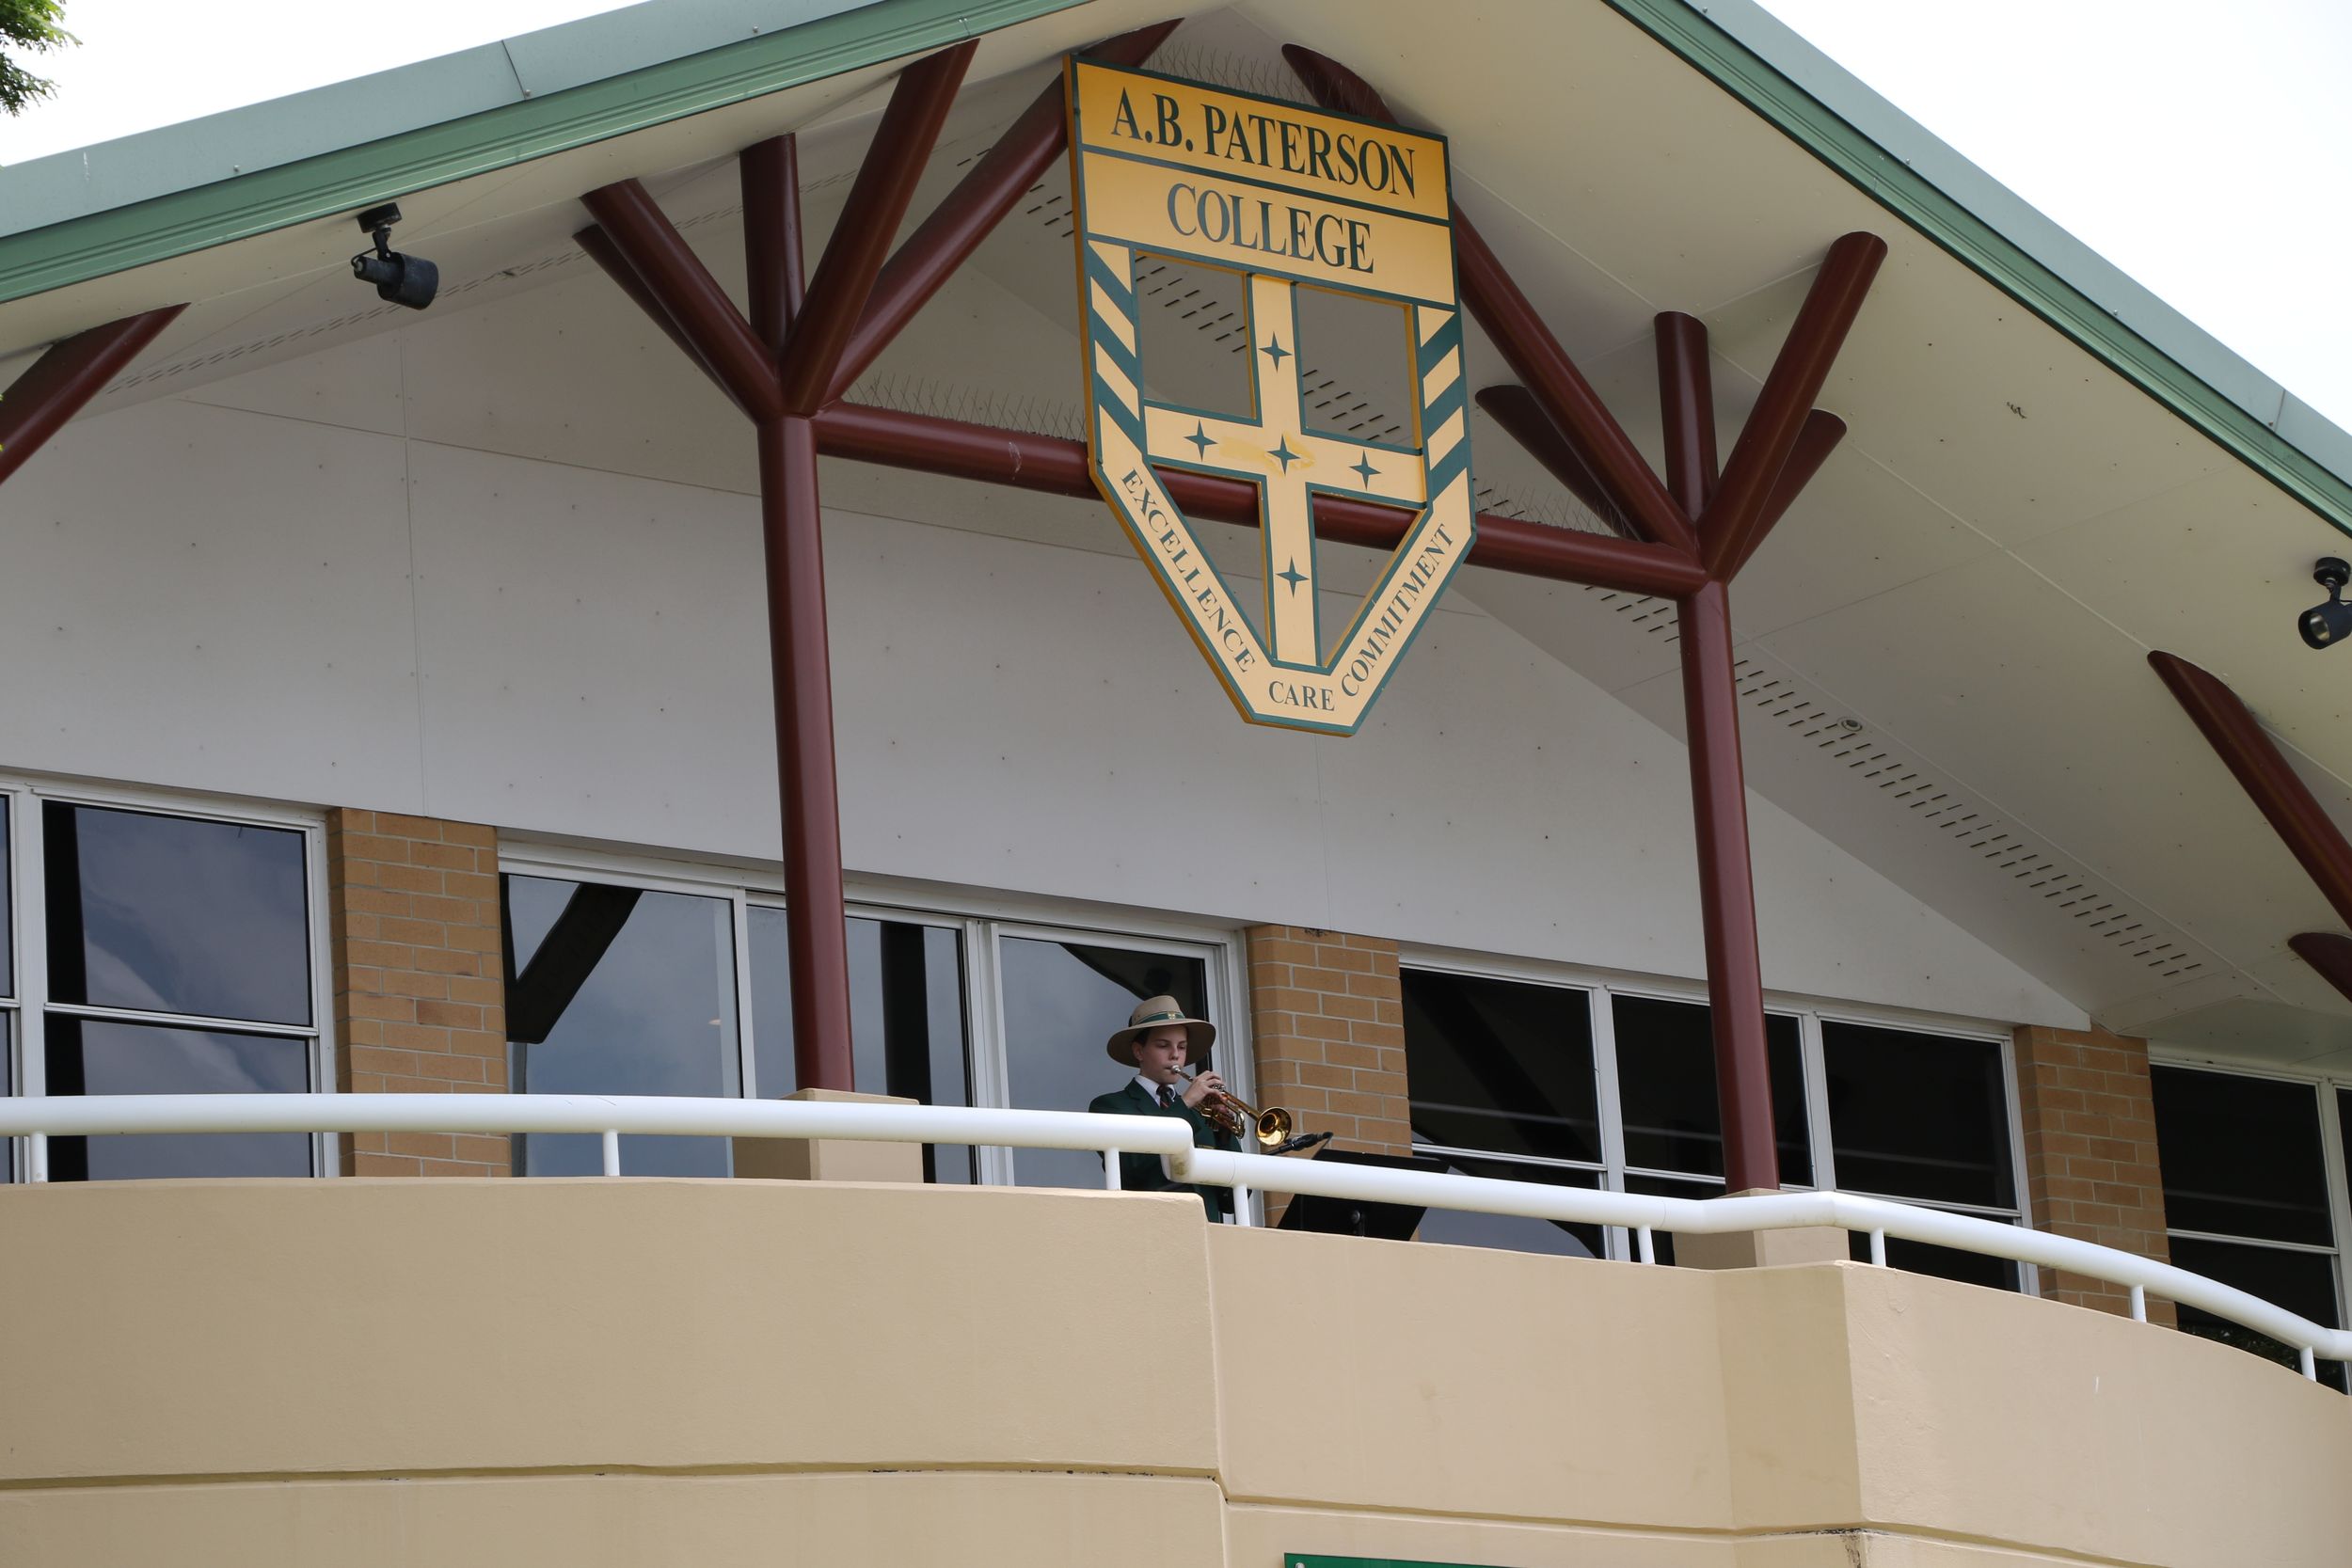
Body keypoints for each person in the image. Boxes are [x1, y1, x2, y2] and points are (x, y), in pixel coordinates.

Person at [1089, 994, 1241, 1218]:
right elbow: (1132, 1167)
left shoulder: (1201, 1114)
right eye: (1163, 1045)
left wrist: (1224, 1135)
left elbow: (1231, 1201)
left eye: (1182, 1047)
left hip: (1205, 1231)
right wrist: (1185, 1103)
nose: (1175, 1055)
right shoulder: (1111, 1106)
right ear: (1139, 1051)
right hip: (1150, 1228)